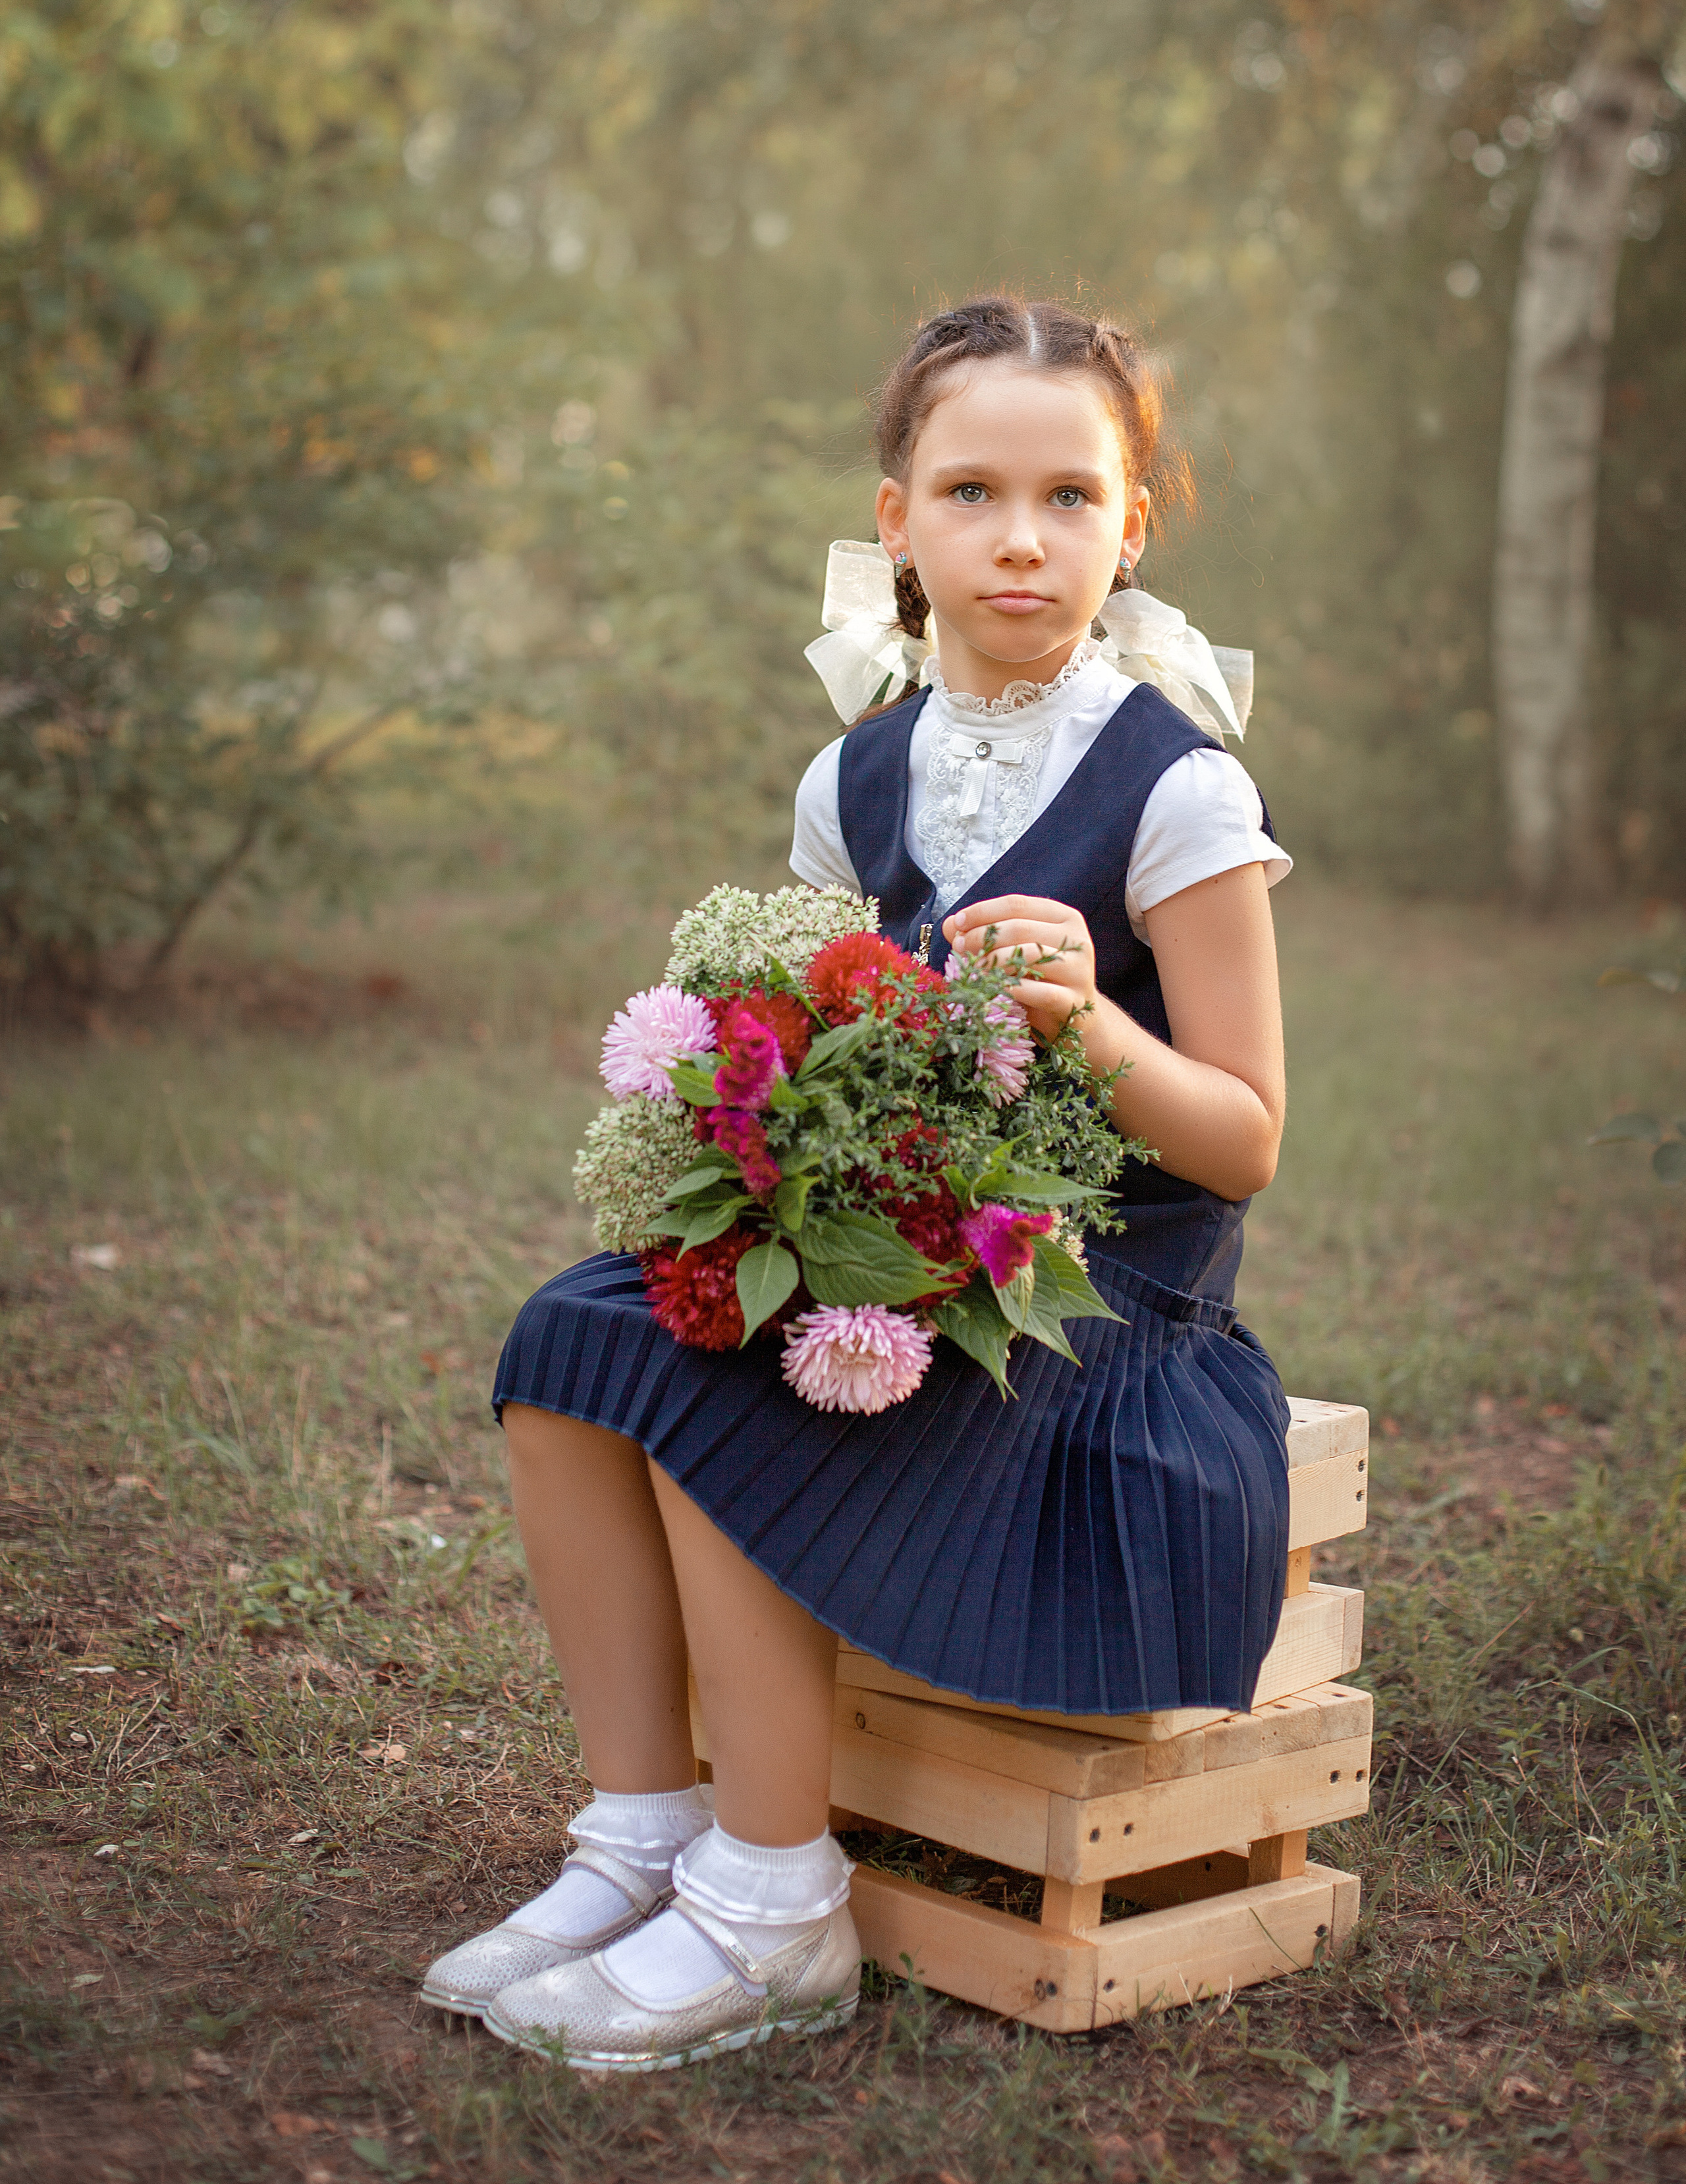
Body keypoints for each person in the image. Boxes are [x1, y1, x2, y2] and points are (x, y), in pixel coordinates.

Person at [420, 293, 1293, 2072]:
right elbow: (829, 1050)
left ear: (1130, 527)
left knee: (714, 1377)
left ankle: (771, 1900)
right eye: (972, 490)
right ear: (895, 519)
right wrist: (742, 1157)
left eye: (1070, 498)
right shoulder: (857, 773)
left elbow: (1249, 1135)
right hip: (901, 1251)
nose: (1022, 538)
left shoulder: (1175, 786)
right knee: (576, 1336)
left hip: (1097, 1305)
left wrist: (1081, 1027)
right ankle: (646, 1830)